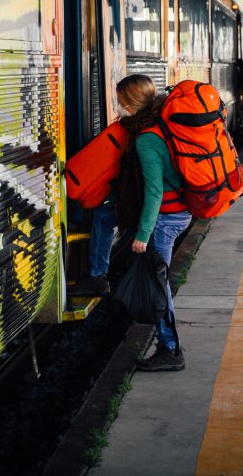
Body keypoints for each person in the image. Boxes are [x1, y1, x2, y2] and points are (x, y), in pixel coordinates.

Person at [73, 75, 192, 372]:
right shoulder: (156, 123)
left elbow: (154, 190)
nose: (118, 106)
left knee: (157, 283)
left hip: (166, 216)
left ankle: (170, 349)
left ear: (130, 102)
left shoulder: (147, 139)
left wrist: (143, 233)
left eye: (120, 100)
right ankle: (98, 275)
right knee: (103, 216)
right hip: (172, 209)